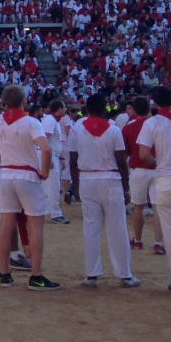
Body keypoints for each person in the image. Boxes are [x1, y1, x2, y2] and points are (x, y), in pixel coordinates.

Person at [66, 93, 140, 288]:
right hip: (111, 179)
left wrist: (76, 186)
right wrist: (126, 188)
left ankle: (91, 274)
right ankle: (125, 274)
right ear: (104, 109)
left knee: (90, 228)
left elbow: (73, 161)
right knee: (117, 228)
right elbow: (121, 161)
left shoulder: (76, 130)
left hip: (87, 179)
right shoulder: (113, 130)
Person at [0, 85, 59, 291]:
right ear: (23, 101)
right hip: (27, 175)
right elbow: (46, 148)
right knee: (35, 226)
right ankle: (36, 276)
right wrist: (44, 171)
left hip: (6, 174)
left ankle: (5, 274)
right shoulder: (31, 122)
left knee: (6, 225)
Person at [137, 86, 171, 291]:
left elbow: (143, 154)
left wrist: (159, 163)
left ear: (155, 103)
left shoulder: (151, 123)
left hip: (165, 178)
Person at [121, 95, 163, 253]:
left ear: (134, 109)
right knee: (158, 207)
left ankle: (137, 240)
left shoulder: (129, 127)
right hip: (157, 168)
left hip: (138, 169)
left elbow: (125, 151)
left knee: (138, 207)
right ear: (149, 109)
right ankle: (158, 243)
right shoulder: (157, 124)